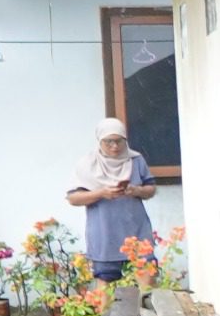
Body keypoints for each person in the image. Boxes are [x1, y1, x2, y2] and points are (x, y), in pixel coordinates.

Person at [67, 117, 156, 281]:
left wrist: (136, 190)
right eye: (109, 142)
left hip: (136, 229)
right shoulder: (88, 163)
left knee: (147, 280)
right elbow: (73, 198)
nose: (115, 146)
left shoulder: (135, 160)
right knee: (106, 287)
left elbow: (151, 189)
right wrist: (101, 193)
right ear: (99, 140)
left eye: (119, 141)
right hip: (104, 233)